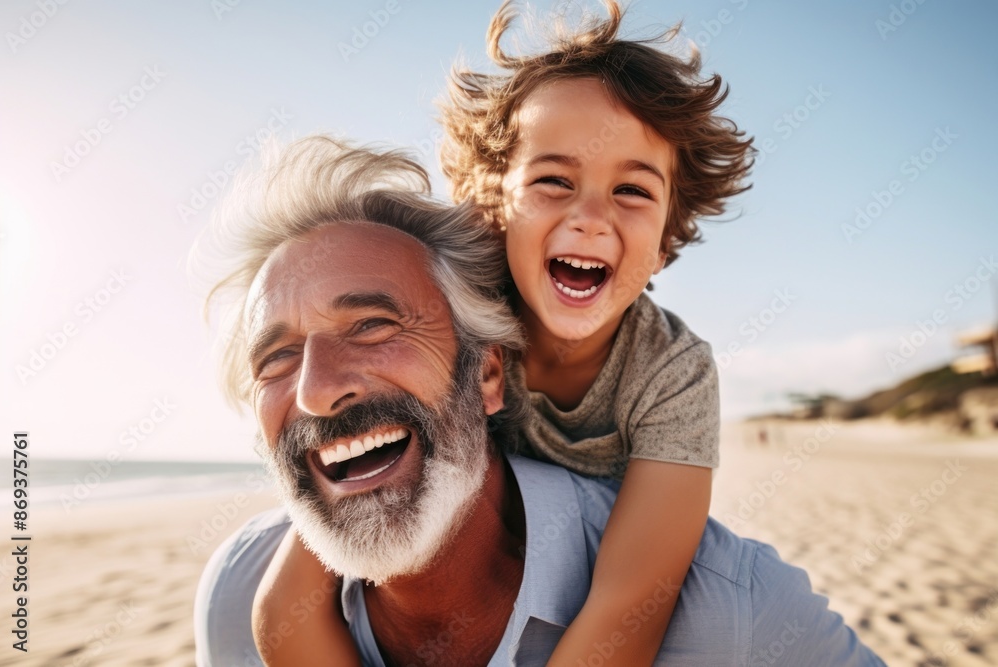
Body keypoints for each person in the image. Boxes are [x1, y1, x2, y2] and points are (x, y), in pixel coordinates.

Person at [192, 135, 885, 666]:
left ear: (490, 373)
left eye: (373, 324)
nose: (315, 386)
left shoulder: (732, 609)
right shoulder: (236, 598)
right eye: (276, 357)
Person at [256, 2, 754, 664]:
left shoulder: (674, 374)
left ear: (665, 239)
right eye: (553, 181)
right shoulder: (450, 329)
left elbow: (628, 606)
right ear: (493, 209)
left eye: (632, 191)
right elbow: (281, 616)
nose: (590, 217)